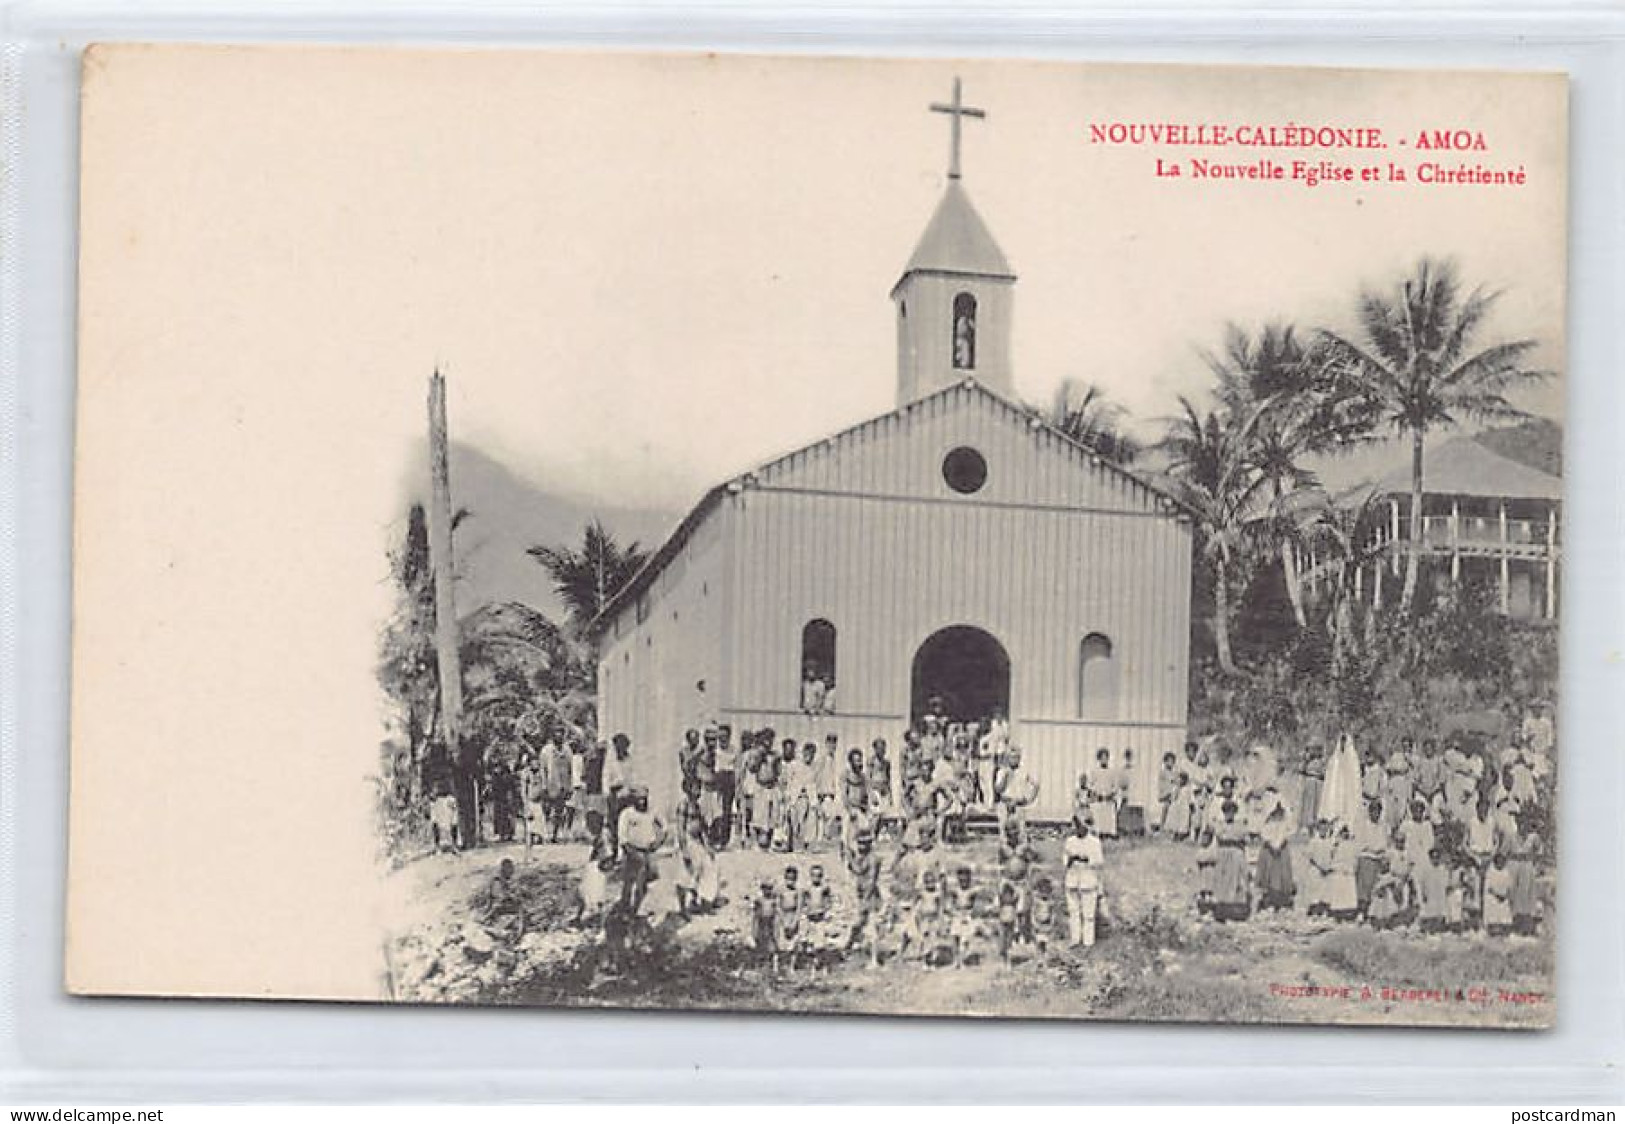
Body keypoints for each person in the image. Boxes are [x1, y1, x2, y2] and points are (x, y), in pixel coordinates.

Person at [616, 785, 666, 916]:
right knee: (628, 882)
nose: (642, 802)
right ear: (633, 800)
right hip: (631, 851)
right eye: (639, 799)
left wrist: (658, 841)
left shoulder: (652, 812)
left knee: (643, 882)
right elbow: (622, 836)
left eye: (644, 799)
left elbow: (665, 827)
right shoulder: (627, 814)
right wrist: (630, 851)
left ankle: (638, 908)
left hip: (647, 852)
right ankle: (624, 908)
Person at [1062, 815, 1106, 948]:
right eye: (1076, 826)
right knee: (1073, 910)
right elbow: (1065, 860)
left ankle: (1088, 942)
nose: (1078, 829)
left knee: (1088, 913)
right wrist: (1071, 859)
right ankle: (1075, 939)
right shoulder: (1070, 841)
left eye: (1081, 826)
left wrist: (1085, 858)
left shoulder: (1094, 842)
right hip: (1073, 879)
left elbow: (1098, 861)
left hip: (1088, 878)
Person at [845, 829, 884, 967]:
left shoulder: (873, 858)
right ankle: (848, 947)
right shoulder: (860, 856)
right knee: (858, 924)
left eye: (864, 844)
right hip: (861, 895)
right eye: (859, 843)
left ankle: (874, 959)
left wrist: (866, 901)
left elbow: (871, 880)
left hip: (871, 895)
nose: (861, 847)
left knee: (872, 928)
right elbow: (858, 870)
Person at [994, 745, 1040, 846]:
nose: (1014, 760)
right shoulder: (1002, 771)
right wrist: (1005, 777)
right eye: (1011, 757)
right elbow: (998, 789)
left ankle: (1021, 854)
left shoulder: (1024, 771)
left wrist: (1029, 799)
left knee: (1021, 832)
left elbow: (1036, 785)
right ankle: (1005, 854)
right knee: (1004, 833)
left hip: (1019, 804)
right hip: (1005, 804)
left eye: (1016, 757)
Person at [1256, 803, 1296, 911]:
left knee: (1282, 874)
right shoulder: (1268, 824)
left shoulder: (1284, 824)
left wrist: (1280, 845)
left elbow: (1288, 833)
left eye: (1280, 813)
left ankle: (1282, 900)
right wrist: (1271, 846)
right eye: (1275, 814)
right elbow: (1264, 835)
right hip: (1269, 852)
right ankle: (1269, 900)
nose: (1278, 816)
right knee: (1269, 873)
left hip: (1282, 851)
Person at [1088, 748, 1120, 839]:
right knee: (1098, 815)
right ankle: (1099, 833)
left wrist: (1111, 793)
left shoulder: (1112, 771)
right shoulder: (1094, 771)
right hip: (1099, 798)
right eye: (1102, 758)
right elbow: (1090, 785)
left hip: (1109, 798)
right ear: (1099, 759)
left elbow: (1115, 785)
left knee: (1109, 815)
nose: (1104, 760)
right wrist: (1096, 793)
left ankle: (1110, 833)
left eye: (1106, 758)